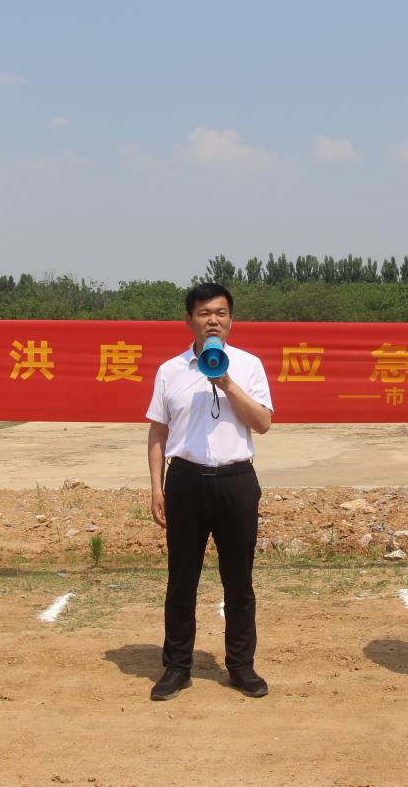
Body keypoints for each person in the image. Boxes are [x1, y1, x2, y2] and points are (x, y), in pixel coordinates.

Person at [145, 283, 274, 701]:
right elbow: (158, 432)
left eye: (220, 313)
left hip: (236, 482)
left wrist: (227, 382)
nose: (213, 320)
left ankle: (241, 666)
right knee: (182, 580)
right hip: (185, 481)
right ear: (189, 320)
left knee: (239, 582)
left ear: (231, 320)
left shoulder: (250, 366)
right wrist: (156, 486)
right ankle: (177, 667)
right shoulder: (170, 371)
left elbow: (263, 423)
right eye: (204, 313)